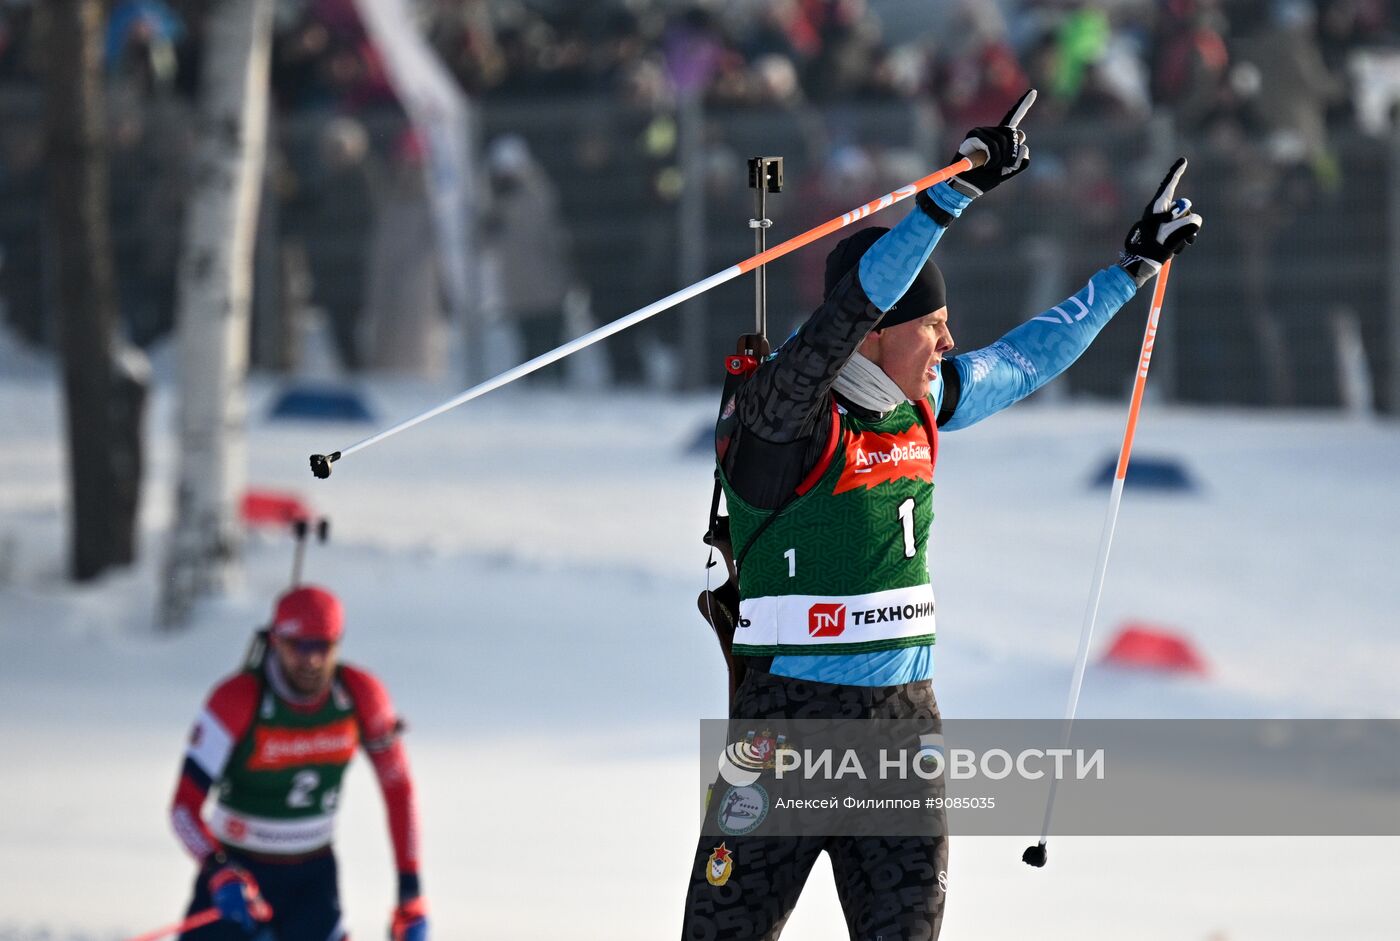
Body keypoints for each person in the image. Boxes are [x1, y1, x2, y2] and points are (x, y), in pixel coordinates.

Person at [683, 89, 1202, 939]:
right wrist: (949, 197)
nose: (949, 345)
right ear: (877, 335)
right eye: (932, 327)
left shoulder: (920, 399)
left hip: (902, 733)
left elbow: (1027, 359)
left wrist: (1130, 270)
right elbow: (840, 317)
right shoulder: (780, 416)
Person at [169, 586, 428, 940]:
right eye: (298, 647)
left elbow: (399, 791)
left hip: (313, 879)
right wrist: (218, 869)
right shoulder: (237, 699)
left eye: (323, 646)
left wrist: (410, 894)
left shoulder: (360, 695)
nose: (312, 661)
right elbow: (183, 808)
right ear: (275, 641)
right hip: (239, 874)